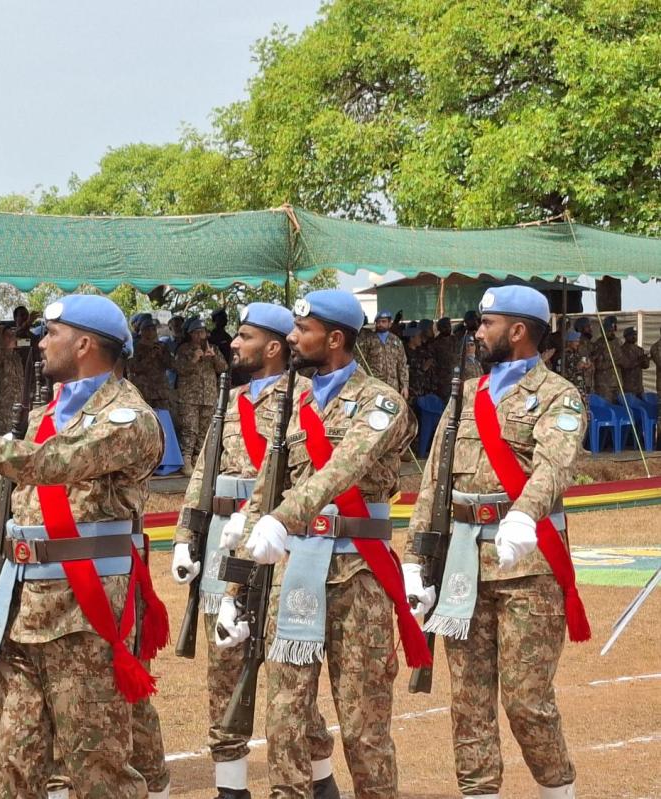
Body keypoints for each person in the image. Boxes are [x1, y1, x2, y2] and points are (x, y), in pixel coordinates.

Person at [0, 294, 170, 799]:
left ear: (84, 344)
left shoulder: (129, 419)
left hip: (83, 617)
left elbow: (55, 462)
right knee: (10, 771)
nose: (41, 344)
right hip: (18, 613)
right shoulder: (44, 415)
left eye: (51, 334)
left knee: (98, 772)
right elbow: (2, 522)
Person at [222, 289, 421, 799]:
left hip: (358, 576)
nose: (291, 338)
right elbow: (265, 490)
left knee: (363, 728)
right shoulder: (293, 401)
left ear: (334, 339)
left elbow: (342, 469)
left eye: (302, 330)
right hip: (296, 575)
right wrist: (234, 588)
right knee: (285, 719)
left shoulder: (381, 402)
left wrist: (283, 518)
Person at [404, 285, 587, 799]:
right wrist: (415, 559)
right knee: (468, 702)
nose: (478, 332)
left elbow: (554, 465)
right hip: (463, 562)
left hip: (528, 566)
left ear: (518, 330)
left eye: (488, 324)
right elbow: (435, 481)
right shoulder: (465, 394)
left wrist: (524, 515)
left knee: (527, 700)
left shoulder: (559, 395)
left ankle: (558, 791)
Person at [174, 303, 341, 799]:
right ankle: (231, 787)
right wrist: (185, 536)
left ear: (271, 346)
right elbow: (203, 474)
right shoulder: (229, 401)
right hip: (224, 544)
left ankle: (321, 778)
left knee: (287, 673)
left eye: (244, 336)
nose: (233, 343)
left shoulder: (307, 398)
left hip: (279, 545)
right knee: (224, 666)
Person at [174, 317, 228, 475]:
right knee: (190, 429)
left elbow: (223, 368)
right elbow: (178, 369)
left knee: (205, 430)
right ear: (190, 334)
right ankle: (186, 460)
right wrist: (194, 359)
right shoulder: (184, 349)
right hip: (189, 397)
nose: (200, 336)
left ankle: (198, 459)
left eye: (202, 332)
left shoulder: (213, 348)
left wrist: (214, 357)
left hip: (208, 396)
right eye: (196, 332)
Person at [0, 322, 27, 436]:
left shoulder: (16, 357)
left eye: (13, 335)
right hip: (2, 409)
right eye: (8, 336)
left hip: (17, 407)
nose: (12, 338)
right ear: (1, 338)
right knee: (4, 439)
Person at [358, 311, 409, 398]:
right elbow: (361, 363)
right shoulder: (369, 340)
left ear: (389, 323)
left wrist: (405, 386)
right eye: (378, 321)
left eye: (384, 321)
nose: (380, 324)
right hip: (375, 386)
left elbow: (402, 364)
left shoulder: (396, 341)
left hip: (393, 387)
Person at [127, 317, 172, 411]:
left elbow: (171, 365)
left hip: (161, 392)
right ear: (142, 331)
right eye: (147, 329)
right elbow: (133, 368)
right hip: (144, 391)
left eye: (153, 329)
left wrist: (162, 355)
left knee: (163, 416)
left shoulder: (162, 346)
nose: (151, 332)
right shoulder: (135, 348)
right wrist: (150, 356)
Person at [589, 316, 623, 402]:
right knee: (606, 406)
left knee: (619, 407)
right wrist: (614, 362)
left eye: (613, 331)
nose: (612, 333)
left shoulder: (617, 342)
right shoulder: (599, 344)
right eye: (609, 331)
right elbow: (598, 365)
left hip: (617, 382)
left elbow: (622, 359)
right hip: (604, 384)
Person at [617, 327, 648, 398]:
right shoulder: (621, 350)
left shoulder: (639, 349)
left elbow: (645, 366)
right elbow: (626, 365)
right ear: (626, 336)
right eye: (632, 335)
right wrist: (639, 360)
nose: (634, 337)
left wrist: (646, 359)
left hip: (639, 387)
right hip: (628, 386)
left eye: (635, 334)